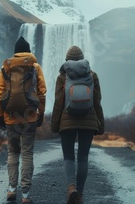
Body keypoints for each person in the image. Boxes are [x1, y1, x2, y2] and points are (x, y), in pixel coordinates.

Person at [0, 36, 46, 204]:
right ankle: (25, 195)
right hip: (29, 117)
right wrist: (41, 113)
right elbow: (42, 93)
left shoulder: (6, 67)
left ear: (15, 52)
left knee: (12, 152)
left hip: (11, 117)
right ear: (28, 50)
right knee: (27, 153)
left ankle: (11, 190)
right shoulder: (35, 66)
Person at [51, 45, 104, 204]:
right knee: (83, 157)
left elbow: (58, 103)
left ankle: (71, 187)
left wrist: (55, 124)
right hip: (88, 120)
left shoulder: (62, 77)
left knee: (68, 156)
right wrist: (100, 124)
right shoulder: (92, 76)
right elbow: (97, 101)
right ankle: (79, 195)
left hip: (67, 120)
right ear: (82, 60)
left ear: (67, 60)